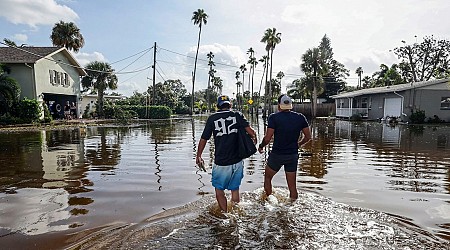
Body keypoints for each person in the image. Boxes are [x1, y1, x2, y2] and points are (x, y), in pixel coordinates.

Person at [196, 95, 257, 212]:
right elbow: (252, 132)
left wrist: (199, 155)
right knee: (235, 189)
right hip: (237, 160)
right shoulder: (237, 115)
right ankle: (235, 212)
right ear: (230, 105)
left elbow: (204, 139)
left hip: (221, 162)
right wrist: (255, 142)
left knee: (219, 191)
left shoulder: (212, 119)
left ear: (218, 106)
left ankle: (225, 214)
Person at [258, 94, 312, 201]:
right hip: (292, 155)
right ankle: (292, 206)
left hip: (277, 155)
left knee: (268, 178)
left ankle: (269, 201)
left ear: (279, 106)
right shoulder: (300, 118)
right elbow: (308, 137)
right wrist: (298, 144)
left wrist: (261, 146)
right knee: (292, 187)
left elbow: (268, 138)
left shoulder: (274, 118)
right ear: (291, 105)